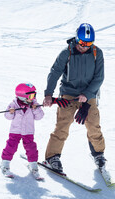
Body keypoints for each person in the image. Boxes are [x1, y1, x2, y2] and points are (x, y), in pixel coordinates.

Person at [43, 23, 106, 175]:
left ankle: (98, 154)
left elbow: (99, 77)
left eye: (88, 44)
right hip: (69, 94)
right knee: (62, 125)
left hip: (88, 94)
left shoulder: (97, 53)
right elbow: (55, 72)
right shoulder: (67, 52)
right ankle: (52, 157)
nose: (84, 47)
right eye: (82, 43)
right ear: (76, 39)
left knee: (93, 125)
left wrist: (88, 94)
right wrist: (48, 94)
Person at [0, 83, 44, 178]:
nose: (33, 97)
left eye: (34, 95)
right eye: (31, 96)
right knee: (11, 146)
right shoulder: (13, 104)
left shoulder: (34, 104)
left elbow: (39, 117)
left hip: (28, 131)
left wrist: (36, 108)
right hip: (15, 131)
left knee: (31, 148)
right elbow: (7, 117)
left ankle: (33, 166)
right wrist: (10, 112)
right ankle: (5, 163)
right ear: (22, 96)